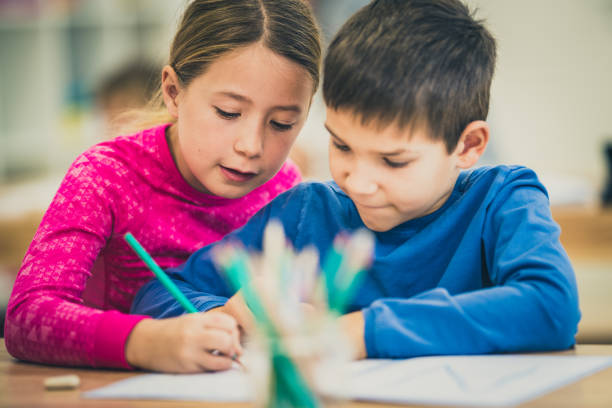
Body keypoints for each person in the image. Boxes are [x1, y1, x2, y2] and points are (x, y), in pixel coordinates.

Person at [132, 0, 580, 363]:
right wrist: (225, 313)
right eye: (342, 147)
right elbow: (154, 293)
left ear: (468, 145)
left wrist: (361, 331)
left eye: (392, 160)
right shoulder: (308, 212)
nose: (359, 182)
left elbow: (551, 306)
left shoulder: (502, 200)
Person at [4, 0, 322, 373]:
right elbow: (27, 316)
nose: (251, 146)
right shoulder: (106, 175)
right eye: (228, 113)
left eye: (282, 123)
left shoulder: (284, 188)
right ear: (173, 91)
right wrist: (148, 342)